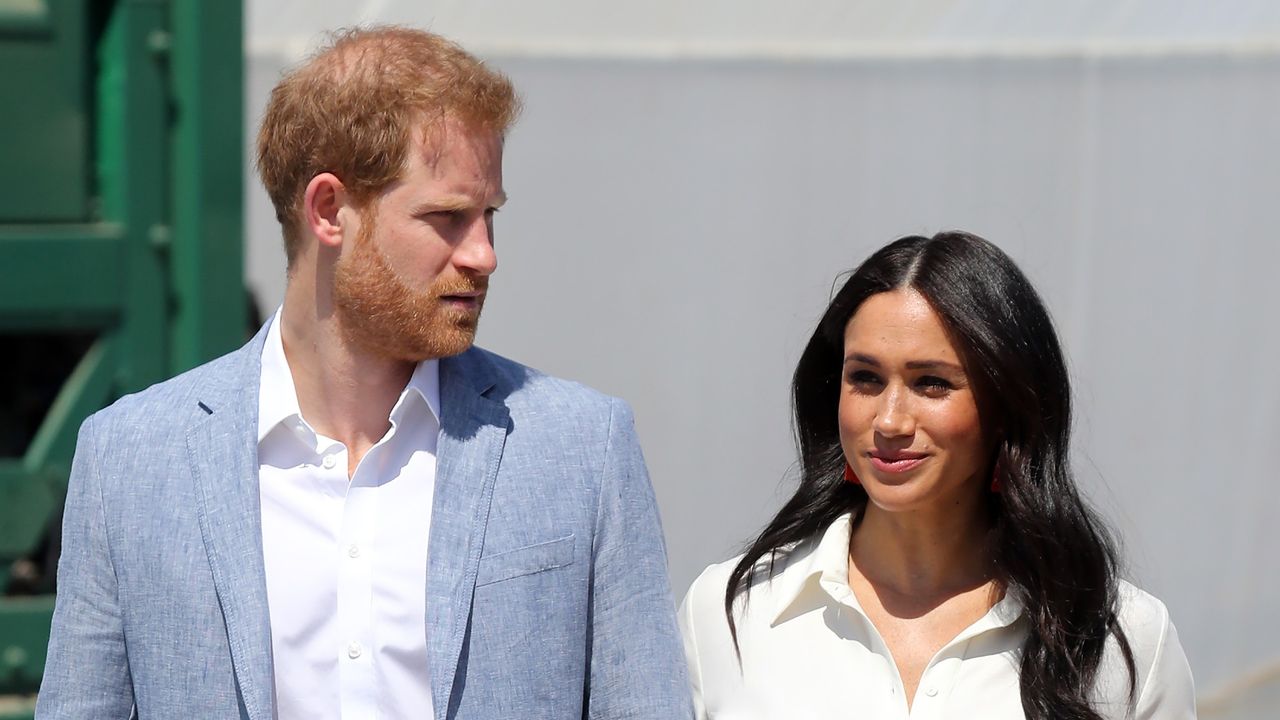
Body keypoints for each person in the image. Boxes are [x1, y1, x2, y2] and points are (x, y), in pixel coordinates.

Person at [38, 27, 691, 719]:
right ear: (328, 212)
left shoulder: (582, 447)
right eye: (446, 216)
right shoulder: (132, 461)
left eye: (489, 215)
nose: (484, 255)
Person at [679, 232, 1195, 719]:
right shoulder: (730, 612)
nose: (889, 420)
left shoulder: (1120, 637)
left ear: (1007, 406)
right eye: (865, 378)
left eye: (931, 383)